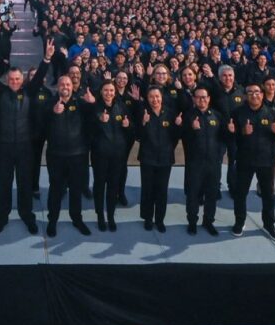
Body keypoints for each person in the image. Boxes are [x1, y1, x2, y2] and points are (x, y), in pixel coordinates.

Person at [0, 39, 50, 235]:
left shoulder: (29, 92)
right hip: (5, 147)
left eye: (18, 79)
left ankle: (27, 216)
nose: (15, 82)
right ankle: (2, 217)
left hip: (25, 147)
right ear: (7, 80)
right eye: (12, 79)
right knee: (5, 185)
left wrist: (47, 58)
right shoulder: (1, 93)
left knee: (24, 184)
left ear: (23, 79)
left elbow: (40, 74)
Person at [231, 84, 275, 242]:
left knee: (269, 195)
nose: (254, 95)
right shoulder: (237, 113)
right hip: (244, 160)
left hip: (266, 161)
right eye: (250, 92)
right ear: (246, 95)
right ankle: (239, 222)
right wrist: (241, 132)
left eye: (257, 92)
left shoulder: (272, 113)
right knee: (240, 194)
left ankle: (269, 224)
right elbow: (230, 139)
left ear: (262, 94)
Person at [43, 73, 94, 237]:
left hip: (77, 155)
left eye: (68, 84)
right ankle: (53, 220)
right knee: (56, 189)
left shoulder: (81, 102)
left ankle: (77, 219)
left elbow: (95, 117)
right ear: (57, 87)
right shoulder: (50, 103)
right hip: (56, 155)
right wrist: (52, 112)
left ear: (72, 87)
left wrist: (93, 103)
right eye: (62, 84)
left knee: (76, 189)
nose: (65, 87)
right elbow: (40, 122)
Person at [180, 86, 225, 235]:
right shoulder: (187, 116)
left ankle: (208, 221)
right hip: (195, 163)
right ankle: (192, 222)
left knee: (211, 194)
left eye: (204, 97)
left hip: (213, 163)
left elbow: (224, 138)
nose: (202, 100)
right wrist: (192, 129)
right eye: (198, 97)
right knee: (193, 194)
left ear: (209, 98)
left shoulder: (217, 116)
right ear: (194, 99)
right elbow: (183, 139)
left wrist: (230, 132)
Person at [91, 79, 131, 232]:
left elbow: (129, 128)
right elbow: (88, 129)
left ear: (115, 93)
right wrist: (99, 120)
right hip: (100, 155)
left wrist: (128, 126)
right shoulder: (95, 108)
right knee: (100, 185)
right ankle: (100, 215)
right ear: (101, 92)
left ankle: (111, 216)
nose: (109, 93)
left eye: (111, 91)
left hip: (117, 155)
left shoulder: (121, 107)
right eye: (106, 90)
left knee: (113, 186)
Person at [136, 85, 177, 233]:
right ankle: (148, 218)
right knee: (147, 190)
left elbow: (175, 137)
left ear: (162, 97)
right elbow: (138, 136)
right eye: (151, 97)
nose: (155, 99)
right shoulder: (143, 113)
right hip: (147, 158)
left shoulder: (170, 114)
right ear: (147, 99)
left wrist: (178, 126)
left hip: (165, 158)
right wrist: (143, 123)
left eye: (157, 96)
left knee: (161, 190)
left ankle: (159, 219)